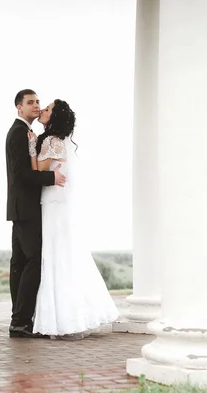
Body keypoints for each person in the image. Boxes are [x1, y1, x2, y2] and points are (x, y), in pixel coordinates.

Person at [28, 99, 119, 338]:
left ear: (54, 117)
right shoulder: (58, 140)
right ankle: (72, 314)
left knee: (56, 255)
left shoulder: (50, 140)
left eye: (47, 109)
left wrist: (30, 146)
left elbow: (37, 170)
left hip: (53, 204)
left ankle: (61, 319)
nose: (43, 110)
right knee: (65, 254)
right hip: (59, 203)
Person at [6, 89, 66, 338]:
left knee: (19, 263)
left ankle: (18, 321)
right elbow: (21, 174)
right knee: (33, 262)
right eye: (30, 102)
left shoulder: (24, 133)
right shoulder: (19, 132)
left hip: (20, 207)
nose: (36, 106)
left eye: (38, 102)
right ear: (19, 107)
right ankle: (21, 321)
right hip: (27, 207)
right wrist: (52, 176)